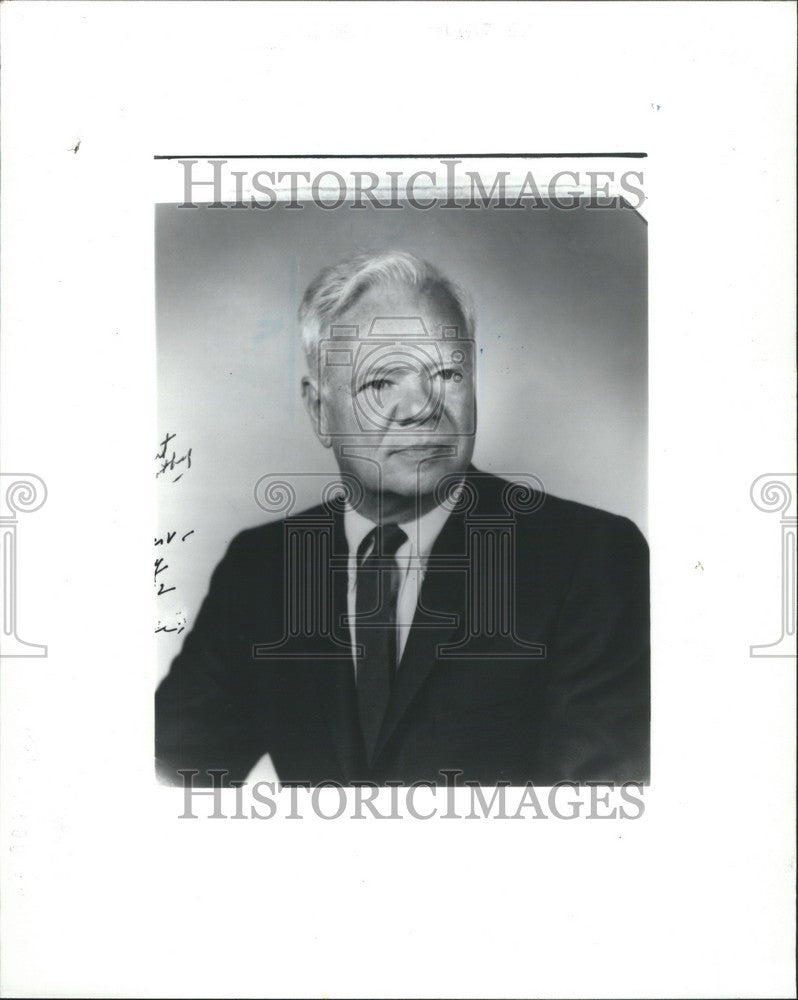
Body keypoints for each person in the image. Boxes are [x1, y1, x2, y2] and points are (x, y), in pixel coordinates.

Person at [155, 250, 649, 786]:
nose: (423, 407)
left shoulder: (590, 559)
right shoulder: (259, 568)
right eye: (381, 383)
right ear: (320, 411)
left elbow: (599, 822)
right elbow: (166, 776)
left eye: (447, 373)